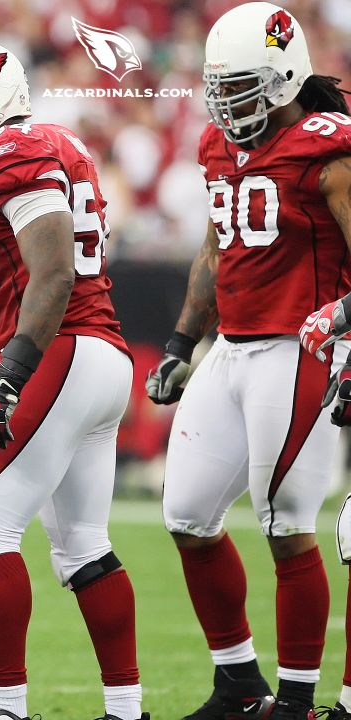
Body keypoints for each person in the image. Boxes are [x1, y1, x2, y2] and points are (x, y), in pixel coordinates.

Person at [0, 40, 142, 720]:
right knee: (84, 548)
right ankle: (126, 711)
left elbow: (55, 273)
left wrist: (9, 376)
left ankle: (6, 708)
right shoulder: (59, 143)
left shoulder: (10, 154)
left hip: (62, 352)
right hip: (100, 354)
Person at [146, 4, 351, 718]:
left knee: (287, 525)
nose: (226, 102)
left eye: (243, 86)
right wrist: (180, 342)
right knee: (187, 515)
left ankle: (296, 703)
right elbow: (215, 251)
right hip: (231, 349)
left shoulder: (329, 146)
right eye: (220, 86)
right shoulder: (216, 147)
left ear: (285, 76)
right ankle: (238, 683)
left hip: (301, 348)